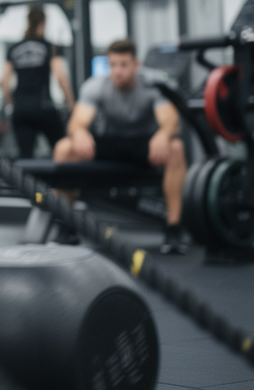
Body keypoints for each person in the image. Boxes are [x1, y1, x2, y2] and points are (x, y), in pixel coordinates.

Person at [54, 39, 188, 253]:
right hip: (111, 142)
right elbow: (77, 122)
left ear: (136, 64)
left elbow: (171, 121)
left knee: (176, 148)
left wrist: (163, 135)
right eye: (113, 65)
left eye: (123, 65)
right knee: (64, 148)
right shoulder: (96, 85)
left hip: (144, 144)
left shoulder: (152, 83)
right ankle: (65, 226)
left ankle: (173, 230)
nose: (117, 71)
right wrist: (79, 133)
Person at [2, 4, 74, 159]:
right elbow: (61, 77)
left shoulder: (14, 48)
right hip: (44, 107)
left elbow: (4, 82)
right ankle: (59, 184)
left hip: (21, 109)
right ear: (43, 23)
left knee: (25, 157)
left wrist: (11, 105)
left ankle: (27, 184)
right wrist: (71, 106)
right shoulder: (50, 47)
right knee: (62, 150)